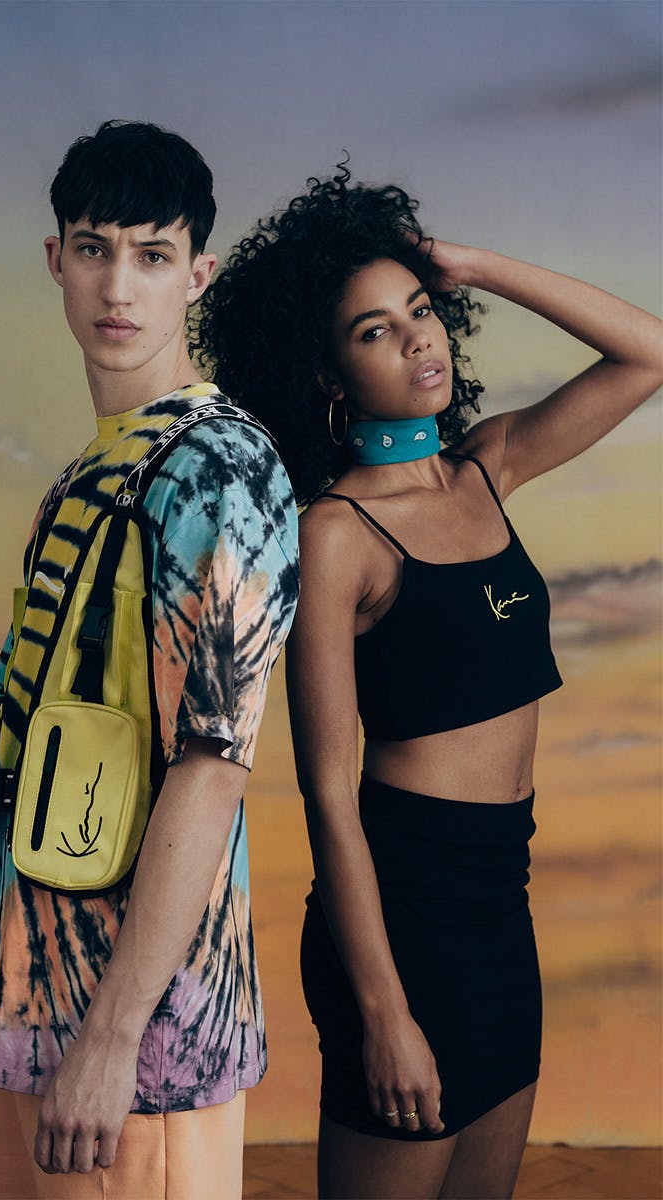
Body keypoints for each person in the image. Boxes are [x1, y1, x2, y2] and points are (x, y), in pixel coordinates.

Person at [196, 166, 662, 1200]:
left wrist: (473, 265)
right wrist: (382, 1013)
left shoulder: (486, 467)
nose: (417, 340)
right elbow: (326, 791)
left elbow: (649, 351)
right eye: (375, 330)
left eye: (421, 310)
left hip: (502, 900)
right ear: (326, 373)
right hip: (401, 919)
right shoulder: (336, 536)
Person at [0, 120, 299, 1200]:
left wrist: (113, 1035)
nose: (117, 287)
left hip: (135, 1046)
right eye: (93, 249)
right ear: (57, 260)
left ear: (198, 276)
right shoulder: (94, 473)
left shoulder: (218, 471)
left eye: (152, 255)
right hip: (37, 1006)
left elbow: (211, 768)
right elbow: (36, 751)